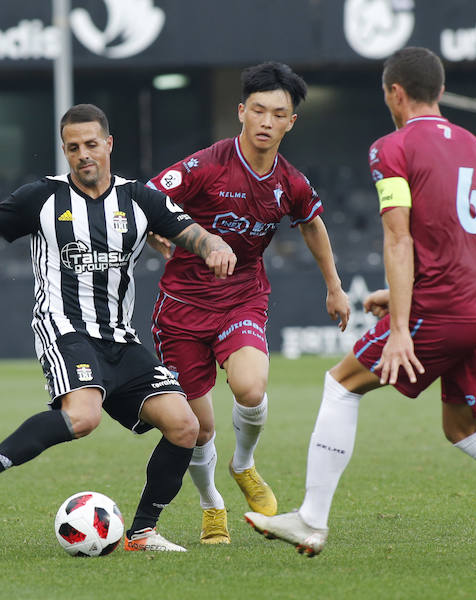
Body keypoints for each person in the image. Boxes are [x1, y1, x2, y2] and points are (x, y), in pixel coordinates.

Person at [243, 47, 476, 560]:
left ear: (394, 93)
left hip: (443, 304)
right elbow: (457, 234)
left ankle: (311, 521)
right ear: (442, 93)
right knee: (462, 427)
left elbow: (399, 237)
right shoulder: (473, 143)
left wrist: (403, 324)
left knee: (340, 385)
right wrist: (402, 295)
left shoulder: (392, 147)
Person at [0, 103, 237, 553]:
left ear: (108, 144)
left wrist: (215, 245)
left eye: (90, 144)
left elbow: (194, 234)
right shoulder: (39, 198)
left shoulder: (141, 199)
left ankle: (142, 532)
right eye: (72, 147)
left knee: (187, 426)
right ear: (64, 151)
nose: (83, 154)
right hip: (65, 328)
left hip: (121, 339)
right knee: (84, 417)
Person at [146, 61, 351, 544]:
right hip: (181, 308)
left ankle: (244, 464)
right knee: (197, 428)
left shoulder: (291, 183)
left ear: (290, 122)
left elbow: (313, 225)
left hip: (242, 299)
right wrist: (158, 234)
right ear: (241, 112)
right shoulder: (204, 166)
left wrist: (334, 286)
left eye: (276, 113)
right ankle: (211, 505)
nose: (265, 121)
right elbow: (147, 199)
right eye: (257, 110)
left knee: (251, 388)